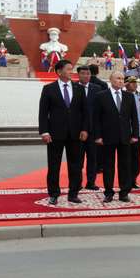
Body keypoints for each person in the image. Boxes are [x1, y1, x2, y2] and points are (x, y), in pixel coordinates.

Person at [38, 59, 88, 205]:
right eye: (68, 69)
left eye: (71, 69)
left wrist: (85, 129)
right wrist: (44, 132)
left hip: (75, 134)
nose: (71, 72)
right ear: (59, 72)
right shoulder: (49, 89)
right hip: (55, 134)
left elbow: (85, 112)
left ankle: (74, 193)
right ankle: (54, 193)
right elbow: (43, 113)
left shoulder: (79, 89)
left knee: (76, 165)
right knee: (54, 165)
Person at [92, 72, 139, 203]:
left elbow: (134, 117)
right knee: (108, 166)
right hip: (107, 136)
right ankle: (108, 192)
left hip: (125, 137)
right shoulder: (101, 96)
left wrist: (135, 134)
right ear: (111, 80)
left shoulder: (129, 96)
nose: (120, 81)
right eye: (118, 78)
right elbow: (96, 118)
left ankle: (124, 192)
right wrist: (97, 136)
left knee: (125, 165)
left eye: (122, 79)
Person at [75, 65, 103, 190]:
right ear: (78, 75)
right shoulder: (73, 87)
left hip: (93, 130)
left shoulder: (97, 89)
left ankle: (91, 182)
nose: (86, 76)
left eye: (88, 74)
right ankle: (77, 183)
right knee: (78, 159)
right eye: (83, 73)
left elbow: (100, 111)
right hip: (77, 130)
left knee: (93, 158)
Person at [125, 76, 140, 189]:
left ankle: (134, 179)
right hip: (124, 130)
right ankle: (126, 179)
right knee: (125, 156)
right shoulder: (121, 95)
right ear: (126, 84)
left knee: (135, 156)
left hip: (137, 131)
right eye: (131, 82)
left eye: (135, 82)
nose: (134, 85)